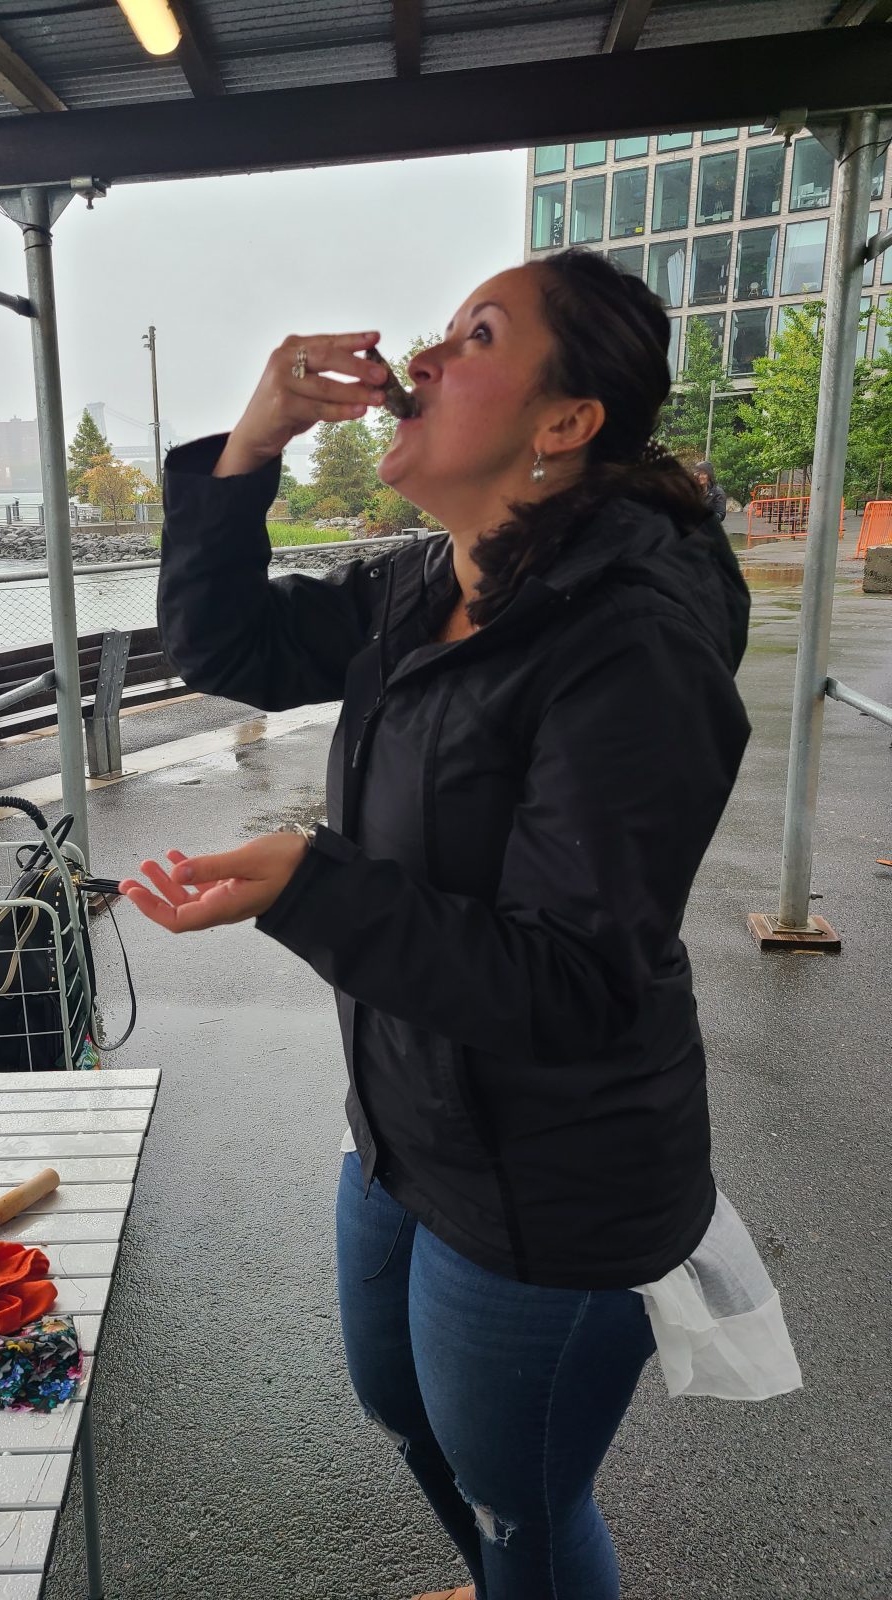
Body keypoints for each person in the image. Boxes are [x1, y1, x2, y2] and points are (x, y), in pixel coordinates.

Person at [119, 249, 801, 1600]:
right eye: (438, 330)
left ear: (565, 422)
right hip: (403, 1125)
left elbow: (575, 980)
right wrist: (249, 445)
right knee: (406, 1412)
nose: (423, 359)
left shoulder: (629, 642)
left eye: (476, 335)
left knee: (524, 1503)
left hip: (553, 1183)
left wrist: (307, 886)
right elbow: (231, 651)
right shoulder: (428, 584)